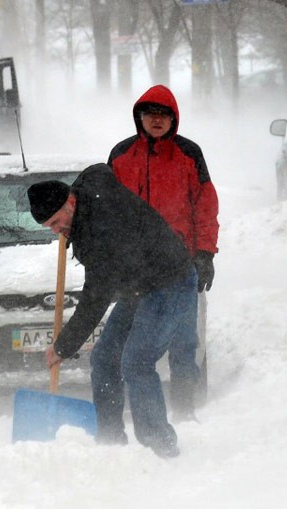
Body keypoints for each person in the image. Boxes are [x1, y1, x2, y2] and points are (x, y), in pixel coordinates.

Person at [27, 164, 196, 458]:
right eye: (50, 227)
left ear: (70, 202)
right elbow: (98, 170)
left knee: (136, 361)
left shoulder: (102, 229)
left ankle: (161, 447)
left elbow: (96, 297)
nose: (56, 231)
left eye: (56, 222)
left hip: (171, 282)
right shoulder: (85, 195)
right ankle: (109, 441)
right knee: (105, 358)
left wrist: (63, 347)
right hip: (140, 286)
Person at [107, 85, 219, 422]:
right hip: (135, 271)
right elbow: (109, 211)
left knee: (183, 341)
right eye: (150, 114)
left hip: (180, 269)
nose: (157, 120)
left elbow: (205, 207)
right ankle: (123, 411)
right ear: (139, 118)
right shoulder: (121, 156)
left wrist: (205, 254)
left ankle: (185, 411)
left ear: (173, 119)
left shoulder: (189, 154)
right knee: (126, 345)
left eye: (163, 114)